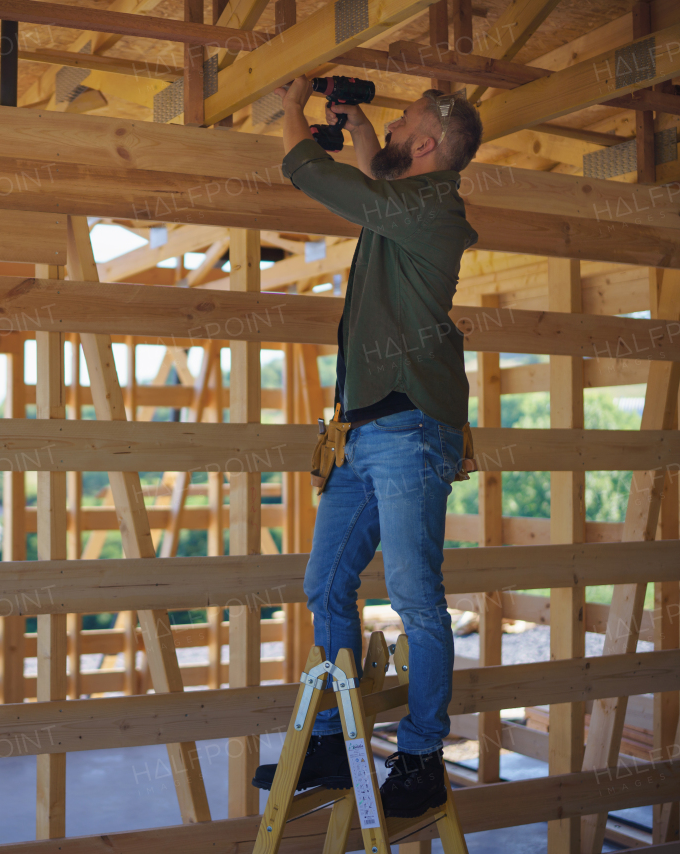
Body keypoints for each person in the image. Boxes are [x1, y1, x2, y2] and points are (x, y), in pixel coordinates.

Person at [251, 76, 483, 820]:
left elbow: (323, 178)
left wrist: (288, 111)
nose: (389, 134)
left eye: (402, 125)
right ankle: (330, 738)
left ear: (425, 146)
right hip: (362, 434)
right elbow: (377, 175)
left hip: (410, 430)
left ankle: (420, 756)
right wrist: (359, 126)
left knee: (417, 599)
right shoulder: (408, 204)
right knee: (325, 586)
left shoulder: (432, 206)